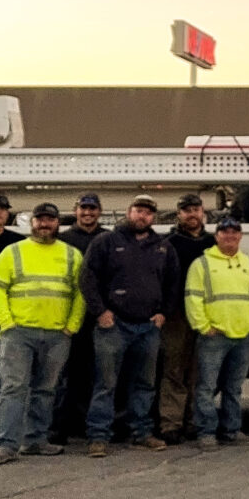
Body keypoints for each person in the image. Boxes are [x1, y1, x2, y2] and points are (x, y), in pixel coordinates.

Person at [81, 195, 179, 458]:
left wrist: (163, 313)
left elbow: (172, 284)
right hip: (114, 326)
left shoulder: (163, 247)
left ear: (153, 217)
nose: (142, 216)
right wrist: (100, 312)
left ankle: (142, 432)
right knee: (106, 384)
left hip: (148, 327)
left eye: (148, 213)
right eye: (138, 211)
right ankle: (99, 436)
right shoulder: (106, 242)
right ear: (128, 212)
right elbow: (87, 278)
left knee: (145, 384)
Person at [0, 203, 84, 465]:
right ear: (32, 222)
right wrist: (6, 323)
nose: (44, 224)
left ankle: (35, 440)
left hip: (57, 335)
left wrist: (71, 327)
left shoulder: (71, 255)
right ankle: (6, 444)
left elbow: (80, 293)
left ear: (57, 223)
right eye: (40, 219)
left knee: (45, 389)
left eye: (50, 220)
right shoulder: (13, 252)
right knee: (13, 388)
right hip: (18, 333)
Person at [185, 217, 249, 450]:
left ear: (240, 236)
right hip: (214, 335)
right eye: (224, 232)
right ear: (216, 235)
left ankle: (231, 429)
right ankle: (207, 432)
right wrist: (203, 327)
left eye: (234, 232)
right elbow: (193, 297)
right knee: (206, 387)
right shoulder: (202, 264)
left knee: (234, 387)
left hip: (244, 336)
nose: (229, 236)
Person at [49, 192, 108, 445]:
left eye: (92, 209)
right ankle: (61, 425)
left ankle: (89, 424)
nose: (88, 213)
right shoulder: (62, 239)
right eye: (83, 208)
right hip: (69, 318)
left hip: (99, 317)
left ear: (99, 211)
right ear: (75, 210)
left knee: (98, 374)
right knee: (65, 375)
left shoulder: (108, 238)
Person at [158, 194, 215, 445]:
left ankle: (194, 421)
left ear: (203, 212)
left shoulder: (214, 243)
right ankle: (171, 423)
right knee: (174, 370)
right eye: (186, 210)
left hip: (205, 315)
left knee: (198, 370)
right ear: (178, 214)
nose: (191, 214)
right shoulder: (168, 244)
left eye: (196, 209)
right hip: (176, 316)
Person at [0, 193, 24, 375]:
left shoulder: (18, 243)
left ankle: (5, 403)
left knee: (8, 368)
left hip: (7, 314)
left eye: (2, 209)